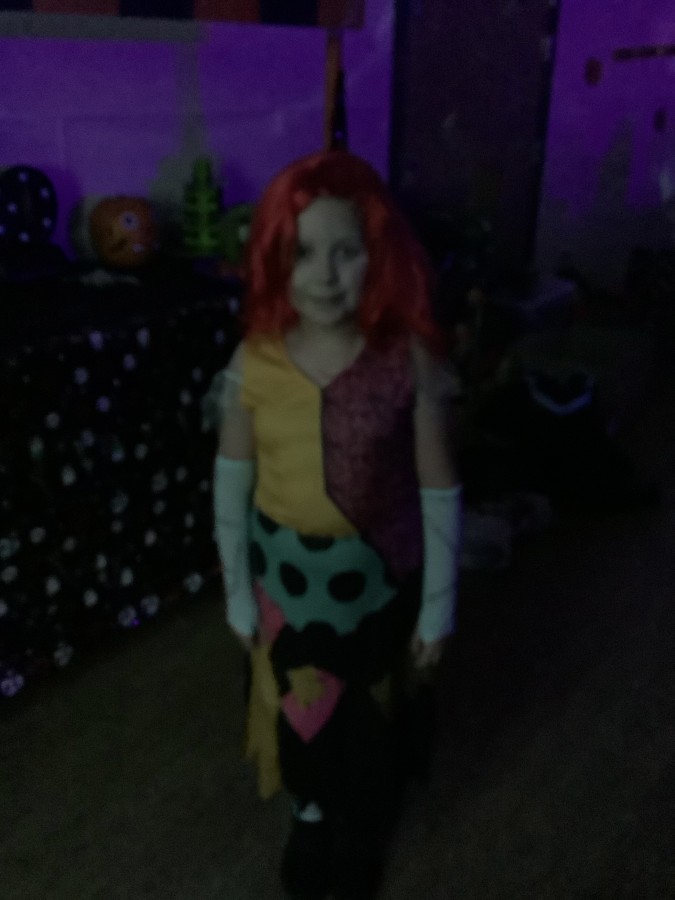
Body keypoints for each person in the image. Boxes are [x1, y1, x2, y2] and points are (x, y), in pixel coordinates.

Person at [213, 150, 462, 900]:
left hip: (378, 585)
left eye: (345, 252)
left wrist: (438, 608)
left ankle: (356, 818)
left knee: (366, 718)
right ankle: (310, 812)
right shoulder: (254, 362)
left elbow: (439, 490)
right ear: (274, 259)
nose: (324, 275)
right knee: (301, 711)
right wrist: (236, 594)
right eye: (303, 253)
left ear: (378, 255)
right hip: (288, 591)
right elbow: (231, 486)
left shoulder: (406, 361)